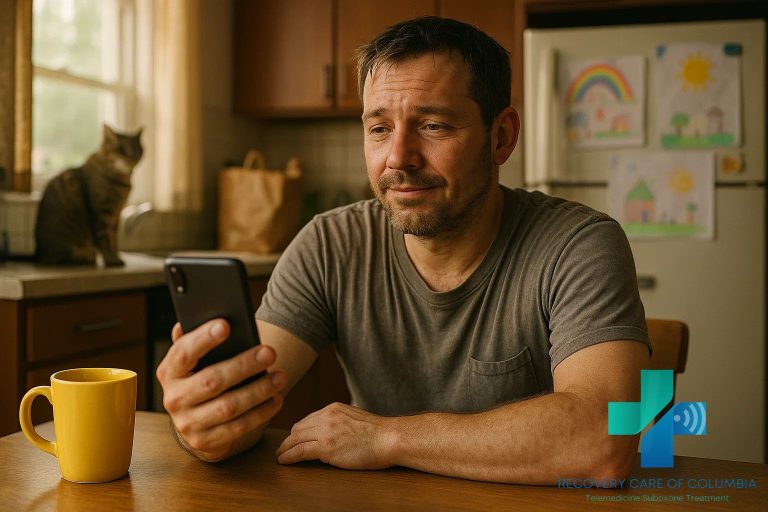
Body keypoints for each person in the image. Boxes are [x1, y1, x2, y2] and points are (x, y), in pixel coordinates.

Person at [156, 16, 650, 485]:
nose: (398, 158)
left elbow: (605, 441)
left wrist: (386, 436)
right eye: (379, 128)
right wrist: (203, 421)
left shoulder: (579, 245)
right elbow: (240, 403)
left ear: (501, 137)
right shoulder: (331, 245)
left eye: (433, 125)